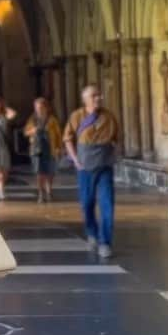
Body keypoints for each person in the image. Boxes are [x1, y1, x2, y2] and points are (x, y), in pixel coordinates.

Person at [63, 85, 120, 259]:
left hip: (104, 166)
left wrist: (113, 156)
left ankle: (105, 242)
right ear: (85, 99)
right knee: (87, 203)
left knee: (107, 204)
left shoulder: (109, 117)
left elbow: (116, 140)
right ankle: (92, 233)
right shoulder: (77, 116)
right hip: (85, 166)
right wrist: (75, 159)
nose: (98, 98)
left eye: (99, 95)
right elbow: (68, 138)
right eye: (94, 96)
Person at [24, 97, 63, 204]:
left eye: (41, 107)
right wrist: (33, 130)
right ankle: (41, 193)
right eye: (37, 107)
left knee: (50, 171)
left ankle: (49, 191)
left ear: (46, 107)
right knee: (39, 172)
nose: (39, 109)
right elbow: (26, 132)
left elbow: (58, 134)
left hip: (50, 147)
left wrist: (59, 147)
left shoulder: (52, 119)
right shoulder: (33, 119)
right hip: (36, 149)